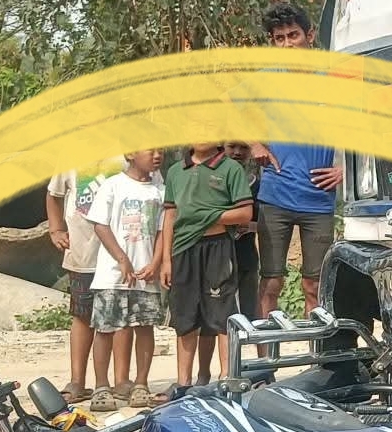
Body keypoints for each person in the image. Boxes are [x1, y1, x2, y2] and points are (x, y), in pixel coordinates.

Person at [254, 3, 343, 318]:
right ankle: (267, 351)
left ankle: (317, 349)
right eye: (279, 38)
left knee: (314, 285)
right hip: (275, 195)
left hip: (318, 198)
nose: (287, 44)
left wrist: (344, 169)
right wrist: (254, 144)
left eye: (293, 35)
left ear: (310, 35)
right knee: (271, 283)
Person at [162, 142, 253, 391]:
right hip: (182, 249)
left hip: (218, 247)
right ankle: (183, 383)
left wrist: (207, 216)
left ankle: (226, 378)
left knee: (222, 313)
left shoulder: (231, 168)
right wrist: (166, 260)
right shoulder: (175, 171)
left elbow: (245, 213)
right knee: (185, 317)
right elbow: (170, 216)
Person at [84, 150, 169, 409]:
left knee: (144, 327)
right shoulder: (113, 185)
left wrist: (155, 262)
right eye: (151, 149)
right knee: (105, 329)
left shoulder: (160, 191)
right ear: (131, 153)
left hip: (145, 275)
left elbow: (162, 231)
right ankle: (101, 386)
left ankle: (141, 383)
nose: (157, 155)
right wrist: (121, 259)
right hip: (112, 275)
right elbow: (100, 225)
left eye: (161, 150)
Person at [46, 163, 114, 402]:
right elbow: (54, 194)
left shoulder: (128, 154)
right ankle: (77, 381)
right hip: (83, 253)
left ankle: (112, 382)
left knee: (116, 320)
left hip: (121, 256)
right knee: (82, 315)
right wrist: (55, 229)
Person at [224, 142, 262, 319]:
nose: (237, 152)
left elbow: (271, 223)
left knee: (249, 309)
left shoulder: (257, 185)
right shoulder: (212, 182)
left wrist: (250, 226)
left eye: (244, 148)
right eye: (232, 146)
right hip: (217, 253)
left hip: (246, 254)